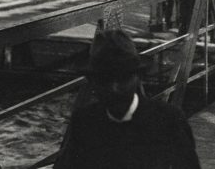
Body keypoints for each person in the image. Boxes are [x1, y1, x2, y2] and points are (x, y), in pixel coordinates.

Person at [54, 30, 200, 169]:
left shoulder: (168, 120)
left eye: (123, 78)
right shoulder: (84, 122)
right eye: (104, 79)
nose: (114, 88)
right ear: (93, 82)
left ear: (138, 77)